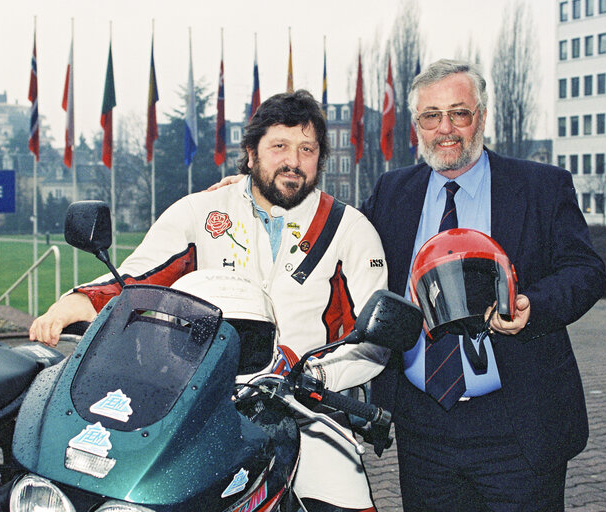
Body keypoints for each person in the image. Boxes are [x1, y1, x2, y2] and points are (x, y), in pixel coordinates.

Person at [29, 89, 388, 512]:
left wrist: (316, 378)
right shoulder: (201, 210)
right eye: (279, 146)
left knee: (344, 501)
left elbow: (375, 335)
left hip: (305, 407)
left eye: (307, 149)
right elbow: (137, 276)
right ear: (251, 153)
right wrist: (77, 303)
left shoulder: (351, 228)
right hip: (200, 403)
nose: (294, 160)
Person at [360, 59, 606, 511]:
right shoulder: (391, 192)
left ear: (483, 116)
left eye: (460, 112)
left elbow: (586, 271)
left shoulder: (541, 186)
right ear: (417, 125)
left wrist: (535, 305)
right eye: (431, 116)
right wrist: (252, 192)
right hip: (423, 426)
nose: (446, 129)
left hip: (517, 421)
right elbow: (340, 244)